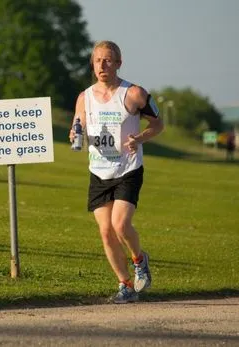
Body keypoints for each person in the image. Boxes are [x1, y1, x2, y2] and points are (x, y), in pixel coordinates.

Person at [69, 41, 164, 304]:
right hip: (98, 171)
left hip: (128, 168)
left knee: (120, 224)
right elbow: (78, 124)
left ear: (119, 63)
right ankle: (125, 285)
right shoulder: (84, 97)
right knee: (105, 232)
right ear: (92, 63)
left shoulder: (133, 93)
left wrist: (140, 138)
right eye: (98, 60)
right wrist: (74, 132)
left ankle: (139, 260)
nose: (102, 65)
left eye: (108, 60)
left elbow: (158, 124)